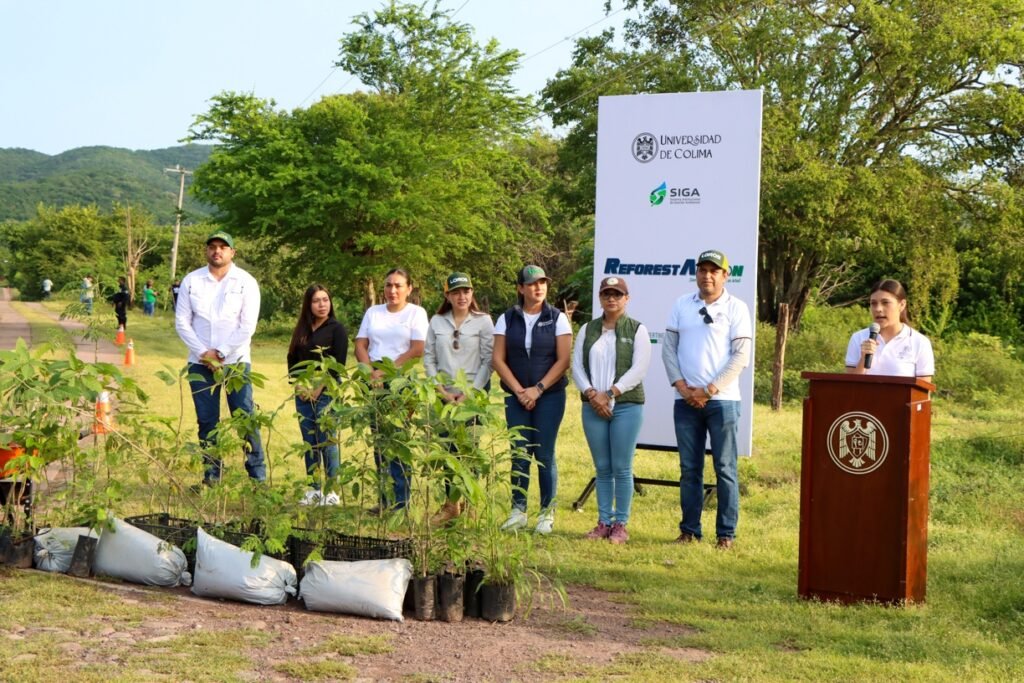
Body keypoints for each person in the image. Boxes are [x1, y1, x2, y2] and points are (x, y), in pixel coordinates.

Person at [663, 249, 752, 550]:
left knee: (725, 468)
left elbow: (741, 356)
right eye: (703, 269)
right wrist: (682, 386)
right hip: (685, 400)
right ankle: (689, 531)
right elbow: (668, 349)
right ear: (696, 273)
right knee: (690, 469)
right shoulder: (681, 305)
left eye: (714, 270)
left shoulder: (736, 308)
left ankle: (725, 535)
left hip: (723, 401)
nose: (707, 275)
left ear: (726, 275)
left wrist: (709, 389)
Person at [175, 230, 265, 485]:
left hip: (235, 361)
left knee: (245, 419)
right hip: (199, 362)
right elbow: (182, 322)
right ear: (206, 251)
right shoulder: (192, 280)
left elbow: (248, 325)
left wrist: (221, 353)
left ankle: (257, 477)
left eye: (223, 247)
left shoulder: (246, 281)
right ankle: (212, 475)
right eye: (213, 246)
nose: (217, 251)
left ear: (232, 252)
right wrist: (205, 353)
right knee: (206, 420)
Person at [491, 264, 572, 535]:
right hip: (516, 397)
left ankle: (546, 513)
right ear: (520, 288)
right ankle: (518, 511)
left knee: (544, 454)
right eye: (532, 283)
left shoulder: (557, 317)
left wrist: (537, 389)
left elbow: (563, 360)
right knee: (519, 453)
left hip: (549, 396)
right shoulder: (507, 318)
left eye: (542, 283)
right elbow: (498, 359)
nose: (538, 288)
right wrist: (519, 391)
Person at [571, 276, 651, 544]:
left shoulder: (637, 329)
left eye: (617, 294)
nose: (611, 299)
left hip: (626, 406)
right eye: (607, 294)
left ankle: (621, 524)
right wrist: (593, 395)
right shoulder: (588, 329)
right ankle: (604, 522)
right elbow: (577, 367)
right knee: (602, 467)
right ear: (600, 298)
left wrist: (610, 394)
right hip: (593, 405)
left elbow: (638, 369)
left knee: (621, 467)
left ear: (626, 299)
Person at [354, 267, 429, 510]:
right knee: (379, 441)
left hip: (401, 381)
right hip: (373, 379)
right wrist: (369, 372)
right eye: (388, 285)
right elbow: (360, 345)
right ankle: (384, 499)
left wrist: (387, 372)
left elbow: (417, 349)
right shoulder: (373, 312)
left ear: (409, 288)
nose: (392, 290)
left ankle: (401, 502)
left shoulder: (416, 313)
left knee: (398, 440)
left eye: (398, 285)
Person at [423, 271, 495, 524]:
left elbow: (489, 360)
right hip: (444, 394)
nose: (462, 296)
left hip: (473, 395)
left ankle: (470, 503)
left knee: (470, 450)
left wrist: (470, 393)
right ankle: (451, 504)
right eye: (456, 292)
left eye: (466, 291)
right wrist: (441, 391)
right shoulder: (437, 322)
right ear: (447, 295)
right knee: (448, 450)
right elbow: (429, 359)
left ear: (472, 293)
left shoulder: (484, 322)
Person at [287, 284, 348, 506]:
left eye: (325, 300)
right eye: (316, 301)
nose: (322, 305)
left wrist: (318, 388)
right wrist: (299, 385)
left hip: (327, 391)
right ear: (308, 305)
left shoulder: (336, 329)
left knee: (327, 440)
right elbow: (292, 358)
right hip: (302, 393)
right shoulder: (303, 329)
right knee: (309, 441)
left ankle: (331, 492)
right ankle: (313, 489)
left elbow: (338, 363)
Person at [845, 279, 934, 382]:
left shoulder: (919, 342)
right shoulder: (858, 338)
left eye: (885, 302)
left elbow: (923, 391)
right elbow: (850, 386)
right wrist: (863, 359)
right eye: (873, 303)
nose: (878, 309)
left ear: (902, 305)